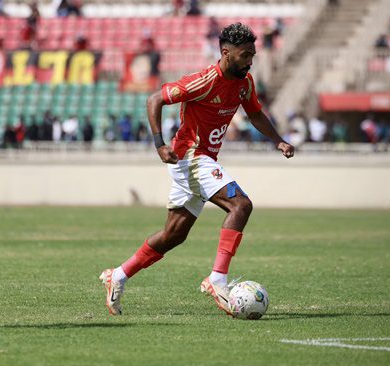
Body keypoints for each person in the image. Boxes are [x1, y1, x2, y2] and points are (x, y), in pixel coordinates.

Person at [99, 23, 294, 316]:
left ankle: (119, 275)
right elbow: (154, 99)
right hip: (190, 157)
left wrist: (277, 140)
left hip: (198, 161)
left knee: (173, 235)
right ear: (226, 53)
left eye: (252, 55)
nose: (250, 61)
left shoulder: (245, 83)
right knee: (240, 205)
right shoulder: (203, 81)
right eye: (244, 55)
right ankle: (217, 280)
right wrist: (159, 144)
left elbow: (255, 114)